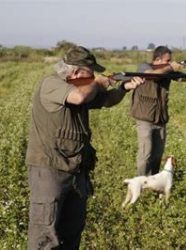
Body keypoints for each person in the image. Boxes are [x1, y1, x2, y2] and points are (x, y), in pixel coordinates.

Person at [25, 45, 144, 249]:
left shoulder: (81, 88)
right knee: (45, 235)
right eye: (90, 72)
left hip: (76, 169)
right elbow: (79, 97)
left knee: (72, 231)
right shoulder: (51, 84)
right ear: (76, 72)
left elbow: (106, 101)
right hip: (50, 169)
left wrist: (123, 88)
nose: (94, 75)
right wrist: (97, 82)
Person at [130, 46, 186, 176]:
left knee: (157, 154)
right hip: (144, 117)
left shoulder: (167, 71)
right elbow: (151, 75)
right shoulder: (144, 67)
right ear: (157, 59)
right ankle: (141, 181)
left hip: (160, 118)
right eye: (167, 60)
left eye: (171, 60)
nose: (170, 62)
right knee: (145, 154)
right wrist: (171, 67)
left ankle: (153, 180)